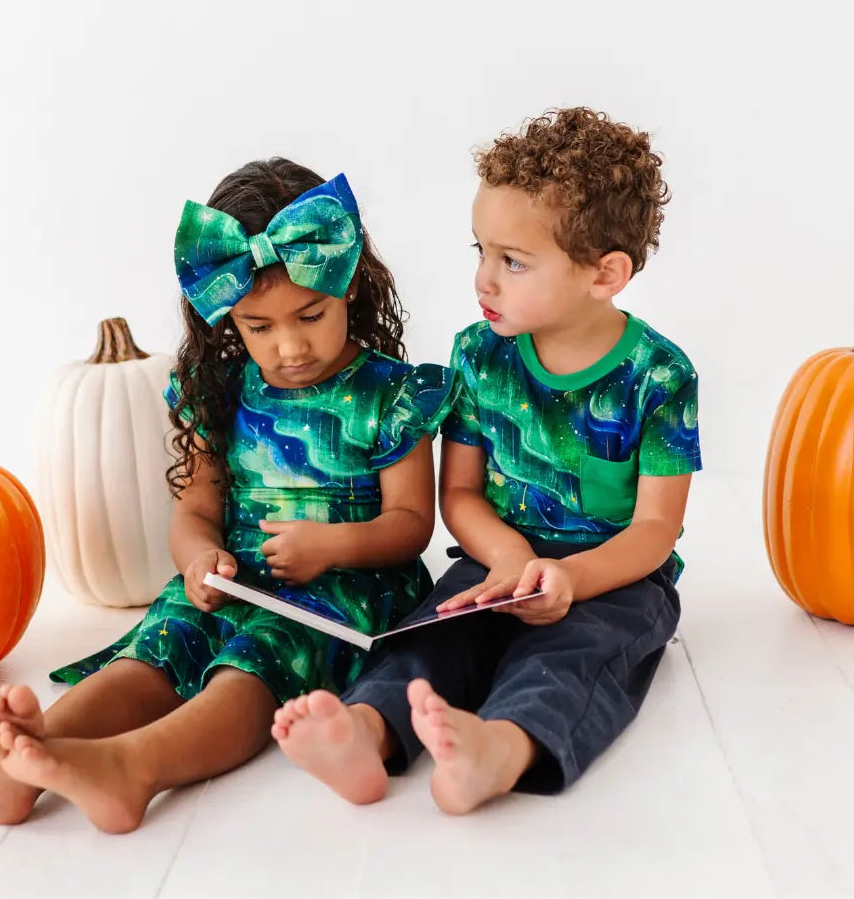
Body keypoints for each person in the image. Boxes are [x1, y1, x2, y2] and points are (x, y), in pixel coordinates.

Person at [0, 158, 454, 832]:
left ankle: (135, 767)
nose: (288, 345)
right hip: (235, 580)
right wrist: (198, 557)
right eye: (259, 325)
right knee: (162, 645)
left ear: (349, 288)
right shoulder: (220, 390)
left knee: (250, 670)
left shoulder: (389, 394)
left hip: (342, 590)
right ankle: (33, 747)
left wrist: (330, 545)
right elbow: (195, 507)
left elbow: (409, 524)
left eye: (310, 315)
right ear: (230, 319)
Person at [273, 108, 702, 814]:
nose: (483, 279)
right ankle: (365, 731)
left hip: (613, 578)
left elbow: (654, 530)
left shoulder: (658, 376)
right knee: (428, 635)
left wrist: (567, 576)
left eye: (511, 260)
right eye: (479, 249)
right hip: (492, 561)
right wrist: (505, 559)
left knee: (569, 657)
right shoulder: (480, 354)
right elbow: (462, 493)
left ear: (605, 272)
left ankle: (496, 750)